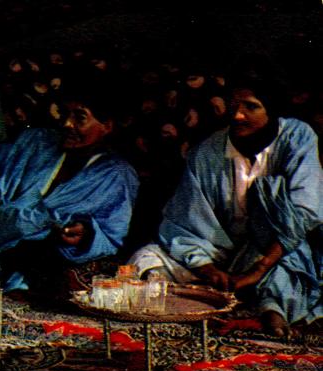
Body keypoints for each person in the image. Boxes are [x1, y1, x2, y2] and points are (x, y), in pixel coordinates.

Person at [129, 60, 323, 337]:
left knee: (292, 263)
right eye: (233, 105)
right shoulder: (206, 152)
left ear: (272, 109)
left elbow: (305, 211)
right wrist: (208, 269)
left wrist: (259, 268)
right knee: (146, 258)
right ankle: (210, 296)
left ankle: (270, 311)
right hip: (218, 249)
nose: (238, 115)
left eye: (251, 107)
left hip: (272, 250)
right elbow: (186, 220)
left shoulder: (297, 137)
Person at [0, 73, 139, 300]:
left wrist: (85, 234)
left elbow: (112, 236)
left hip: (30, 257)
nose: (66, 124)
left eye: (79, 118)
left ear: (107, 126)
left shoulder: (116, 175)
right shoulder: (36, 141)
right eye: (64, 114)